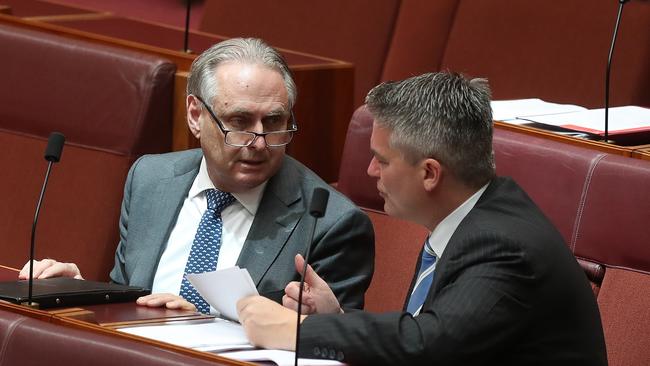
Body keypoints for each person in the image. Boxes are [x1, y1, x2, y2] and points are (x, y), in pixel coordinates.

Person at [236, 72, 608, 365]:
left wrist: (301, 330)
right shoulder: (465, 217)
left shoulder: (502, 244)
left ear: (430, 173)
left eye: (381, 160)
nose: (369, 171)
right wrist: (336, 317)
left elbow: (428, 345)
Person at [19, 38, 374, 314]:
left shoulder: (329, 224)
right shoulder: (150, 179)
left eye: (274, 122)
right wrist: (83, 295)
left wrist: (200, 324)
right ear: (194, 116)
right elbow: (126, 296)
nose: (259, 142)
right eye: (238, 122)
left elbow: (328, 348)